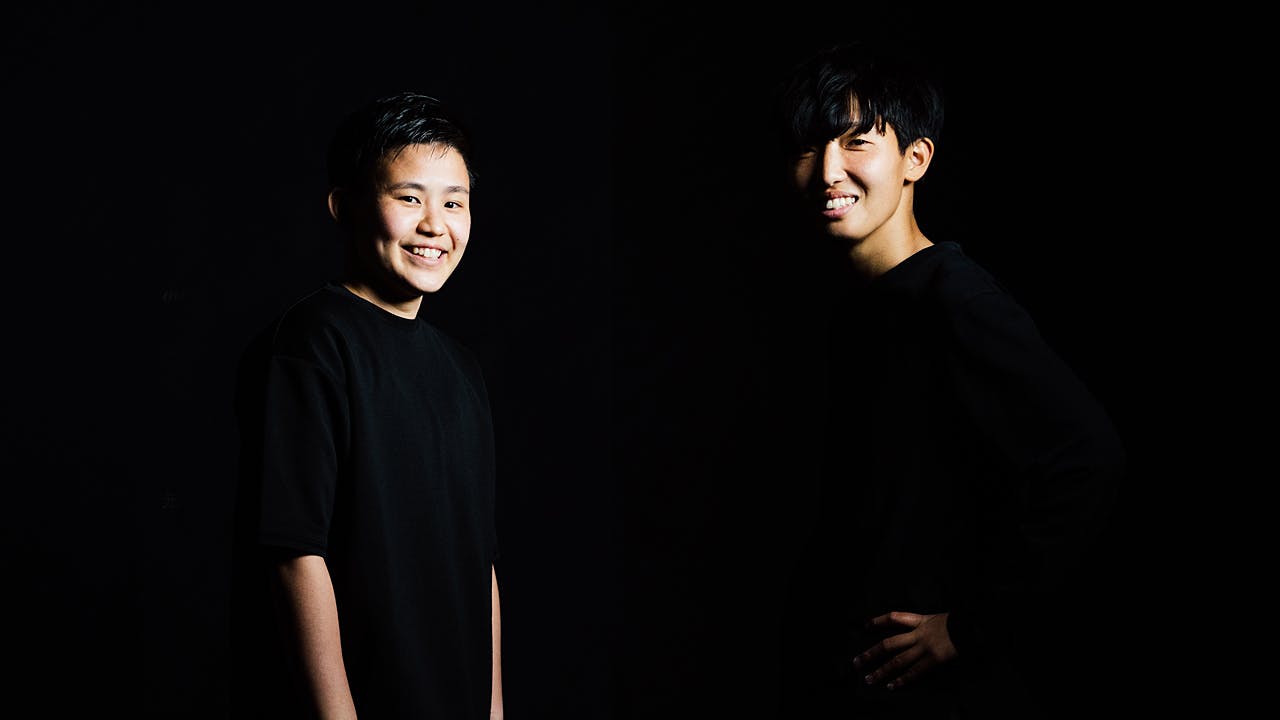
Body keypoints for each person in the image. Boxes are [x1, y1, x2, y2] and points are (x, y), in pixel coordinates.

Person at [773, 41, 1126, 719]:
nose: (827, 171)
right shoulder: (859, 309)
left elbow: (1089, 460)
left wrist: (969, 628)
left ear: (916, 159)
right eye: (808, 148)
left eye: (856, 142)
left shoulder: (956, 300)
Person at [231, 91, 501, 719]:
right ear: (344, 206)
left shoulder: (462, 370)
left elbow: (481, 564)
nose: (435, 225)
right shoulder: (312, 342)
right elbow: (294, 552)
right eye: (409, 198)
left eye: (453, 202)